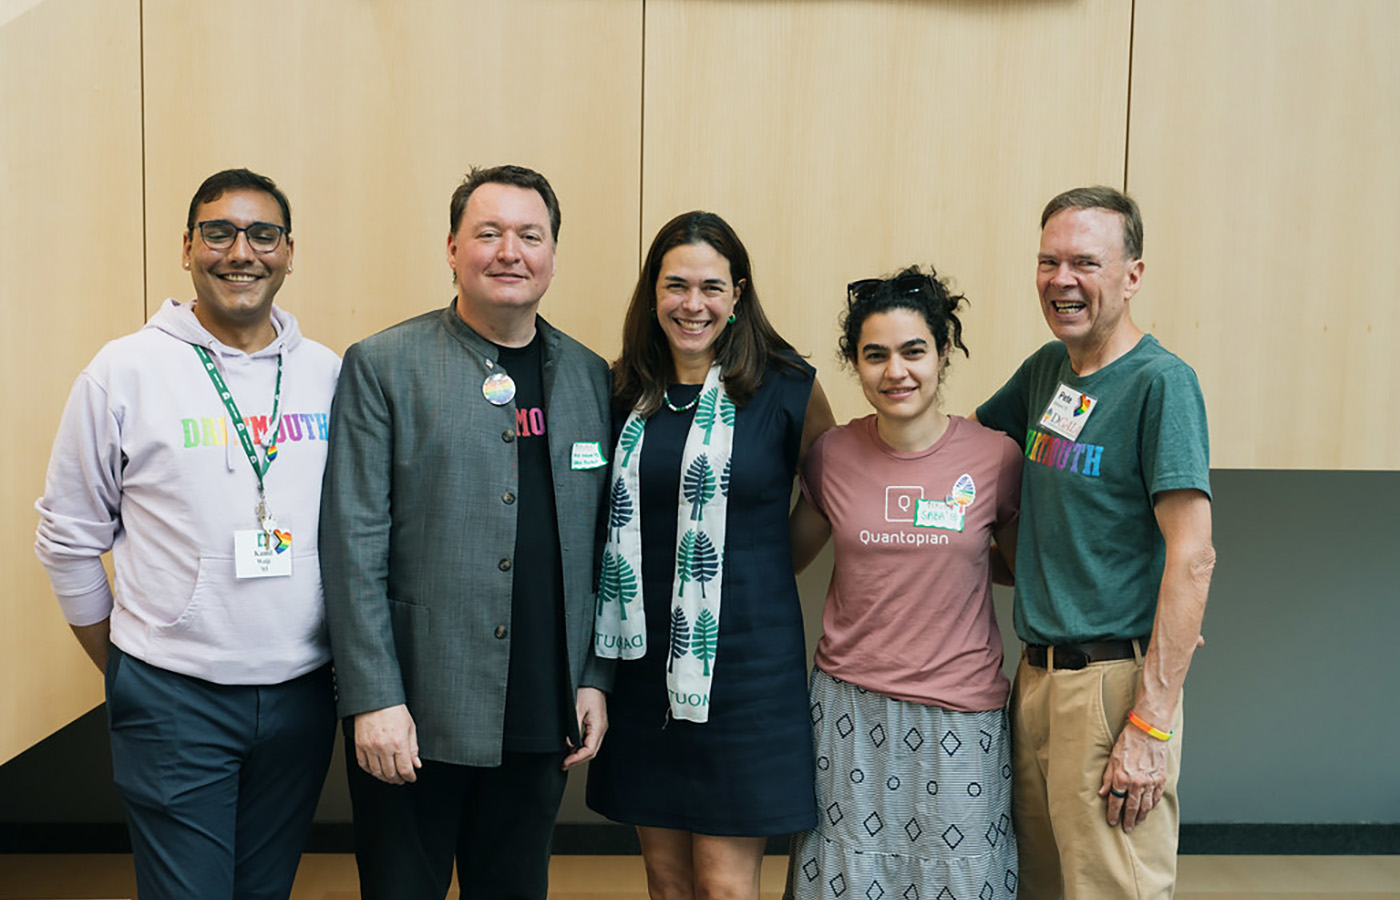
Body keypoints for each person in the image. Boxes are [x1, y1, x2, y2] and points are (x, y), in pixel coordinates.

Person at [34, 168, 339, 899]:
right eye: (219, 232)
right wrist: (127, 665)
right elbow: (70, 535)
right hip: (175, 696)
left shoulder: (327, 373)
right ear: (187, 247)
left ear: (289, 251)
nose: (242, 251)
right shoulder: (124, 371)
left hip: (302, 695)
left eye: (263, 234)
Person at [319, 164, 612, 900]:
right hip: (416, 711)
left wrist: (594, 677)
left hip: (542, 709)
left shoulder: (588, 375)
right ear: (453, 248)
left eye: (529, 235)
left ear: (552, 253)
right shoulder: (385, 366)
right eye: (489, 233)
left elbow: (607, 544)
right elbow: (352, 545)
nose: (509, 251)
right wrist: (373, 698)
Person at [975, 186, 1215, 899]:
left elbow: (1194, 556)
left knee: (1115, 889)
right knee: (1042, 888)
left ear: (1132, 274)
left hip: (1113, 687)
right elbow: (966, 456)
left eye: (1085, 262)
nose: (1062, 281)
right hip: (1037, 680)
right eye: (1049, 262)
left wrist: (1151, 720)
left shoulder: (1161, 384)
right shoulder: (1047, 371)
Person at [588, 211, 834, 900]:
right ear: (653, 292)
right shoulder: (620, 392)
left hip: (748, 672)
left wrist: (763, 567)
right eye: (676, 285)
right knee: (668, 883)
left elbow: (826, 493)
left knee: (725, 886)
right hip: (641, 667)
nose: (692, 303)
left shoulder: (786, 386)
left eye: (711, 286)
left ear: (738, 294)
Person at [785, 266, 1023, 900]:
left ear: (943, 353)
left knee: (960, 878)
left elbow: (1027, 569)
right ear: (856, 365)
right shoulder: (831, 455)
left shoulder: (996, 458)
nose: (897, 371)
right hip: (848, 711)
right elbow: (784, 561)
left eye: (914, 351)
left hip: (962, 712)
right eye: (876, 355)